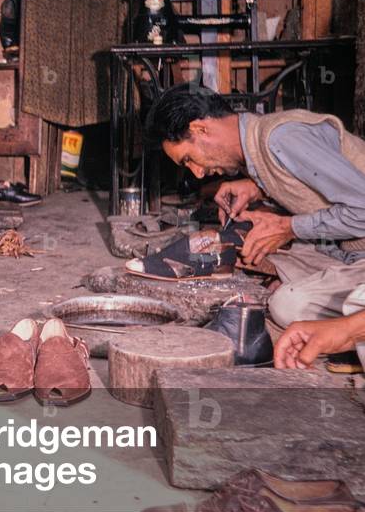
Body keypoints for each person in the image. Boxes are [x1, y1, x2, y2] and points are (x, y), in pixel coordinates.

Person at [145, 86, 365, 368]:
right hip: (346, 250)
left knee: (287, 304)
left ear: (200, 128)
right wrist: (260, 189)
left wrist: (290, 227)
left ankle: (347, 336)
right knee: (255, 251)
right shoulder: (261, 143)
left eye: (188, 159)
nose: (197, 173)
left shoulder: (282, 138)